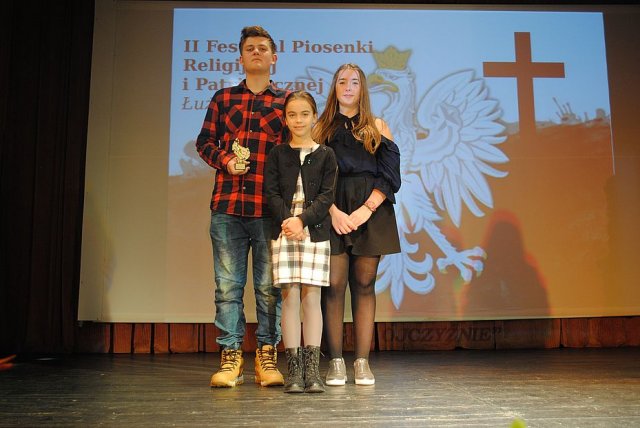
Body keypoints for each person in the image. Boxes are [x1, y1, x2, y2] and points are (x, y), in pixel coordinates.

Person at [196, 26, 290, 388]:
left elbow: (294, 152)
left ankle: (267, 356)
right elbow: (204, 142)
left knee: (268, 288)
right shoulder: (223, 98)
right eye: (250, 48)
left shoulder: (286, 101)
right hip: (228, 207)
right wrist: (225, 160)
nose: (256, 52)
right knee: (227, 288)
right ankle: (231, 356)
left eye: (263, 48)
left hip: (268, 210)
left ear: (273, 57)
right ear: (240, 58)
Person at [313, 63, 401, 386]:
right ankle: (336, 362)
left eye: (354, 82)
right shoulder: (320, 128)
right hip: (331, 210)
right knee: (334, 285)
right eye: (342, 82)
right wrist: (332, 211)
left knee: (364, 284)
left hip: (371, 212)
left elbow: (390, 175)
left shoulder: (378, 126)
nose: (348, 87)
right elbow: (311, 177)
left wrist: (366, 209)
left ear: (362, 89)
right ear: (334, 88)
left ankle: (362, 362)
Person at [265, 91, 338, 393]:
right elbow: (271, 194)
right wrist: (289, 221)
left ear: (314, 117)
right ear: (285, 119)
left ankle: (312, 371)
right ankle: (294, 371)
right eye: (292, 115)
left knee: (312, 298)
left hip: (314, 232)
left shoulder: (326, 154)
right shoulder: (277, 154)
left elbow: (326, 196)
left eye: (304, 114)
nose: (298, 120)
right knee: (290, 297)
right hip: (284, 232)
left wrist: (302, 221)